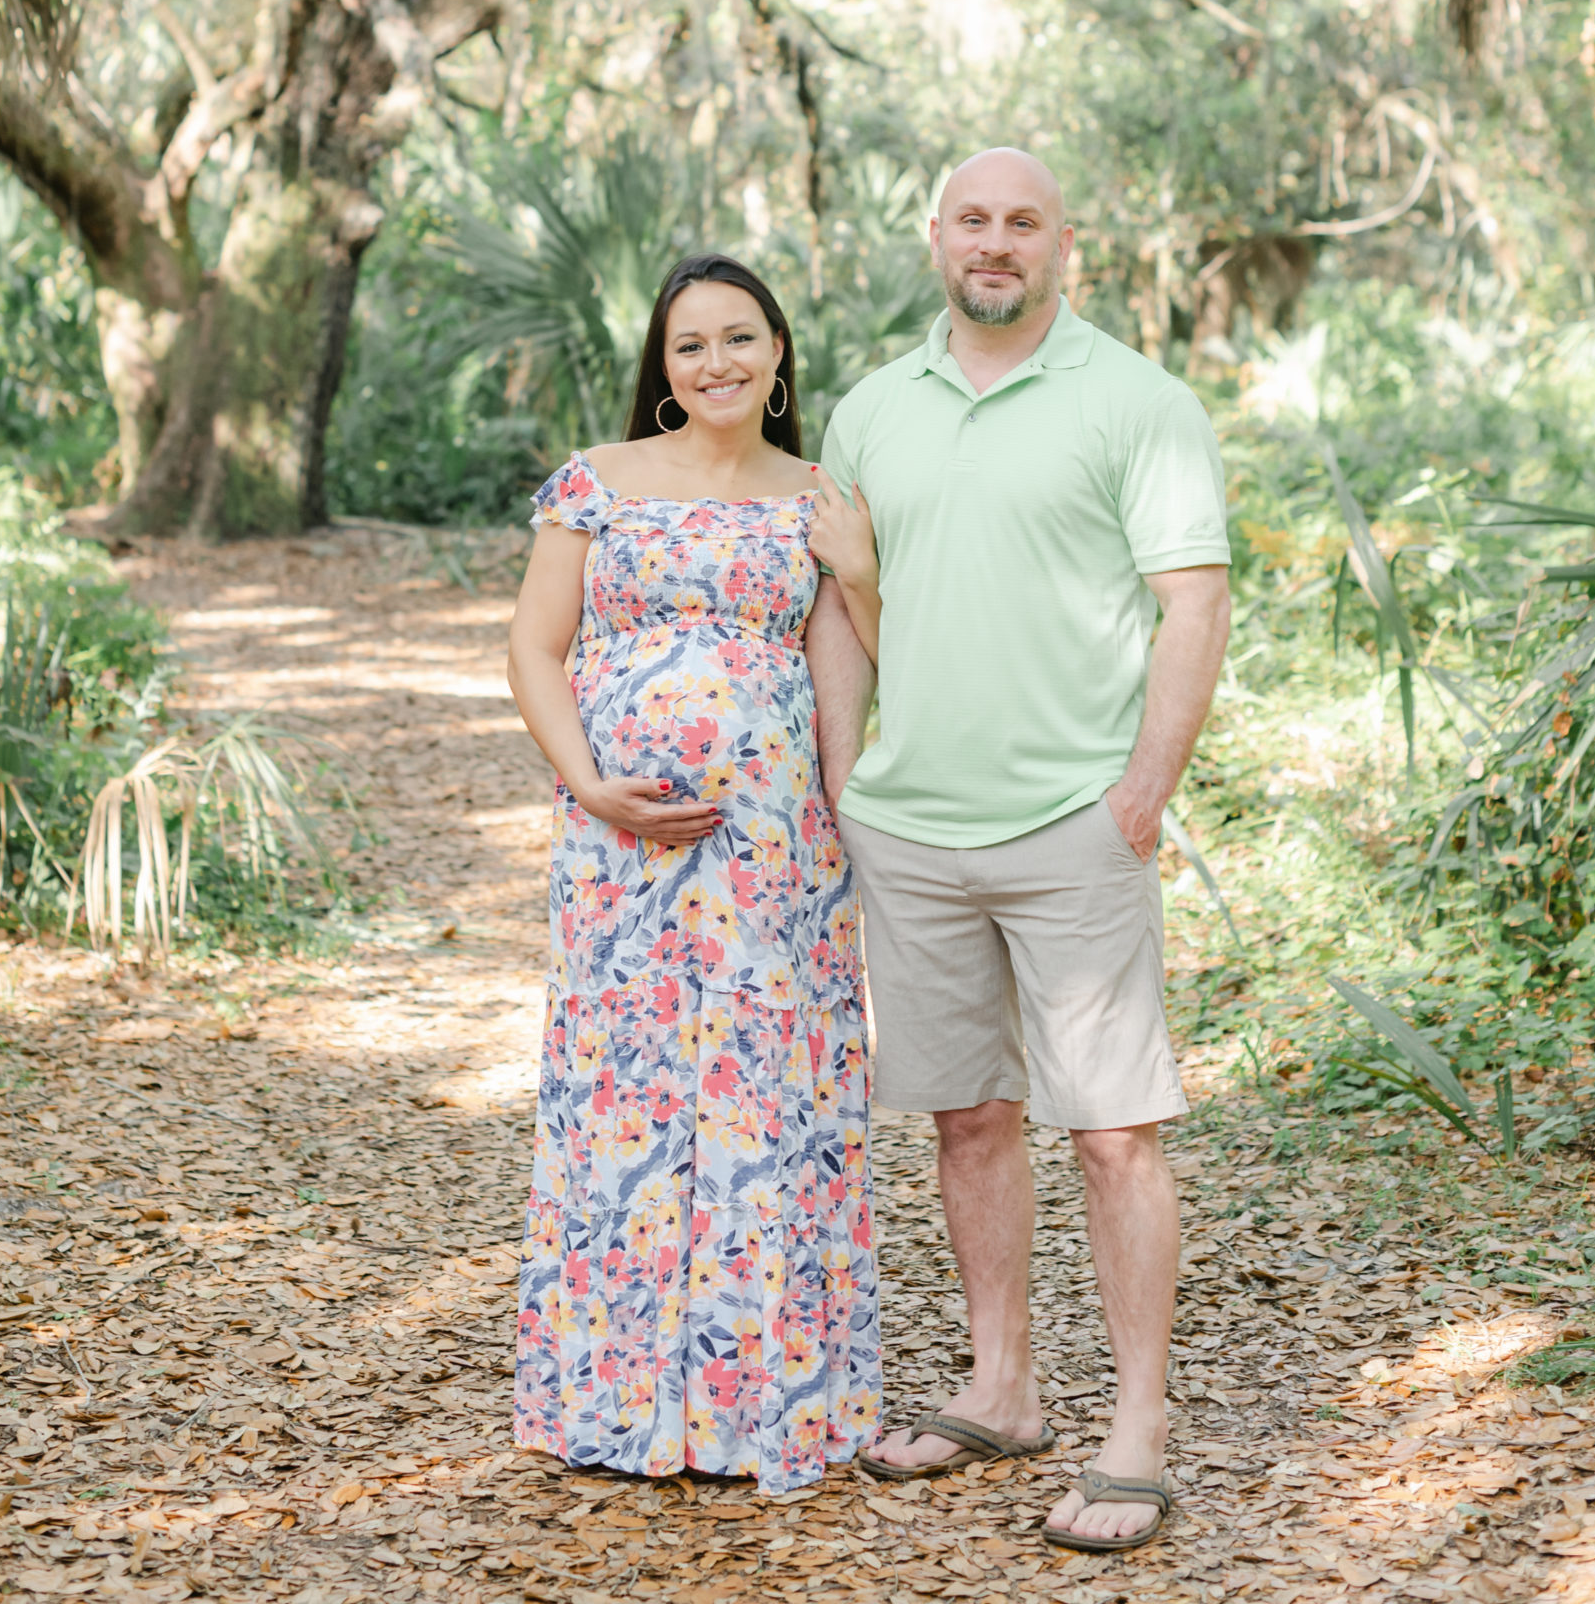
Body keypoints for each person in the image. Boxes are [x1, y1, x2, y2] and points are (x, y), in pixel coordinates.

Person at [810, 148, 1230, 1555]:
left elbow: (1189, 606)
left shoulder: (1138, 404)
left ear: (1066, 245)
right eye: (973, 221)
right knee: (968, 1118)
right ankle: (1002, 1388)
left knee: (1112, 1130)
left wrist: (1143, 786)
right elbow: (841, 605)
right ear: (935, 237)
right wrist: (842, 782)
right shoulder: (873, 407)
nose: (996, 243)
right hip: (911, 825)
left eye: (1022, 223)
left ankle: (1138, 1427)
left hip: (1072, 822)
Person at [505, 254, 882, 1494]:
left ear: (777, 351)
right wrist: (586, 783)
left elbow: (846, 668)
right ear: (660, 368)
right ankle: (614, 1398)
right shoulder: (595, 484)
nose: (714, 362)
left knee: (762, 1098)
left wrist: (836, 818)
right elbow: (534, 645)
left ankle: (752, 1403)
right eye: (688, 345)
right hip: (620, 855)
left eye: (738, 338)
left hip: (771, 856)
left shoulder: (819, 498)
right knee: (628, 1100)